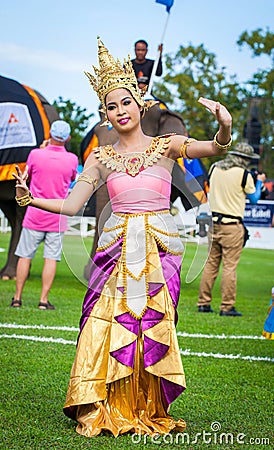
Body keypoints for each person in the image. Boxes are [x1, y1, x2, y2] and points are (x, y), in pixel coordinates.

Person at [13, 37, 233, 437]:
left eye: (125, 103)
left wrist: (225, 125)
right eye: (111, 106)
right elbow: (70, 204)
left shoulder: (168, 146)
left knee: (151, 326)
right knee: (102, 323)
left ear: (140, 103)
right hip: (114, 251)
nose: (119, 112)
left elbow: (213, 149)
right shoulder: (100, 157)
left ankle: (146, 404)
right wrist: (33, 200)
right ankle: (103, 402)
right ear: (106, 114)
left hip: (159, 250)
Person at [10, 120, 78, 309]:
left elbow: (27, 174)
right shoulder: (72, 159)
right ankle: (43, 300)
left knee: (24, 256)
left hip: (34, 214)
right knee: (51, 258)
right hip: (57, 216)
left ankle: (17, 298)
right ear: (68, 138)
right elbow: (72, 178)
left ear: (49, 134)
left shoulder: (35, 154)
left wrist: (42, 148)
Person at [198, 143, 266, 317]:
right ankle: (227, 306)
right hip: (232, 225)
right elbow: (254, 199)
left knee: (211, 265)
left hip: (214, 223)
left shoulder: (214, 168)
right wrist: (259, 182)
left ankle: (203, 303)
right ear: (244, 159)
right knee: (229, 267)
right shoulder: (243, 174)